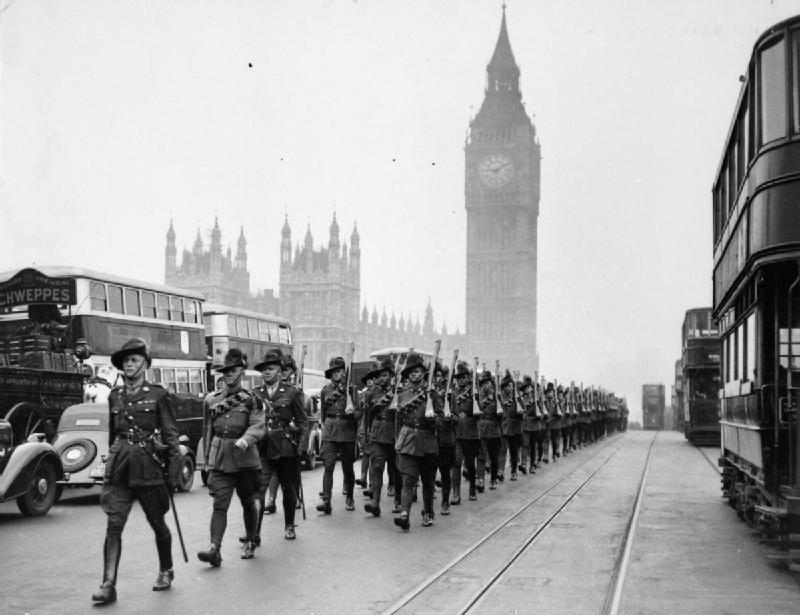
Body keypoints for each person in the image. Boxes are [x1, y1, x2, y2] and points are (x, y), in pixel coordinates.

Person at [92, 338, 181, 605]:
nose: (129, 365)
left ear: (144, 363)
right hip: (120, 469)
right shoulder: (114, 396)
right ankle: (108, 584)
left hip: (148, 467)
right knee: (113, 526)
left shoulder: (158, 395)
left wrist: (173, 475)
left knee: (157, 522)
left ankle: (166, 569)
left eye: (133, 360)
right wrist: (110, 464)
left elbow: (171, 436)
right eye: (125, 361)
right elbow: (112, 434)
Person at [197, 349, 265, 565]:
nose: (228, 374)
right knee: (219, 505)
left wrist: (246, 440)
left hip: (245, 459)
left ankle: (251, 541)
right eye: (225, 370)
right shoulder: (211, 400)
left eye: (233, 370)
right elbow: (208, 431)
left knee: (247, 502)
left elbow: (258, 425)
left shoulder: (252, 400)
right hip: (220, 460)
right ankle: (214, 548)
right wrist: (206, 462)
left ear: (241, 372)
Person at [250, 349, 309, 542]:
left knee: (288, 489)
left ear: (279, 370)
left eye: (271, 369)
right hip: (263, 447)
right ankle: (254, 534)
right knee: (259, 490)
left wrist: (301, 448)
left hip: (286, 447)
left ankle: (289, 525)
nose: (267, 372)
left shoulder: (292, 392)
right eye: (264, 370)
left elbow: (303, 423)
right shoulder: (255, 394)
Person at [394, 353, 440, 530]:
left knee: (428, 481)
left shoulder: (432, 395)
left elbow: (442, 419)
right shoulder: (402, 396)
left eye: (419, 371)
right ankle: (404, 514)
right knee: (408, 480)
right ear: (408, 375)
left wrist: (433, 420)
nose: (415, 375)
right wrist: (397, 441)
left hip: (427, 441)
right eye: (412, 372)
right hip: (407, 442)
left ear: (423, 374)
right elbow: (398, 421)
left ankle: (427, 512)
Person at [317, 356, 360, 514]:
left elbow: (358, 413)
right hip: (330, 432)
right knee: (328, 465)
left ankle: (349, 497)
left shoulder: (351, 390)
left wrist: (352, 413)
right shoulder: (325, 391)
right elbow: (322, 414)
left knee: (347, 467)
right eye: (333, 371)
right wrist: (324, 430)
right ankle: (326, 501)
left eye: (339, 371)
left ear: (344, 372)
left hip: (347, 431)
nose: (336, 374)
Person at [363, 358, 399, 516]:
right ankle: (375, 502)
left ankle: (398, 500)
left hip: (394, 434)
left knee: (396, 469)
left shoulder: (398, 392)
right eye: (380, 375)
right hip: (377, 434)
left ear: (391, 375)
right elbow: (368, 416)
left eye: (385, 375)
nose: (383, 378)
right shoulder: (372, 393)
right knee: (377, 467)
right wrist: (367, 435)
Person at [451, 361, 481, 502]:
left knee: (470, 463)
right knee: (456, 463)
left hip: (471, 433)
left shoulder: (474, 393)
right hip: (457, 433)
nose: (461, 380)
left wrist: (476, 409)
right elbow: (451, 410)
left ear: (468, 378)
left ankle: (472, 489)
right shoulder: (453, 393)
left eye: (464, 377)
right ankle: (456, 493)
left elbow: (479, 410)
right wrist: (452, 417)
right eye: (459, 378)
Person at [433, 362, 456, 515]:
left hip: (445, 438)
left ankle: (445, 501)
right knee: (428, 474)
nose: (437, 379)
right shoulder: (426, 393)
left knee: (445, 472)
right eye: (434, 376)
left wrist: (450, 418)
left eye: (440, 376)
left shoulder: (449, 394)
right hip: (428, 438)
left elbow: (456, 418)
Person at [476, 370, 502, 490]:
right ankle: (480, 479)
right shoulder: (478, 396)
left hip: (494, 429)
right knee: (481, 456)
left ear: (491, 384)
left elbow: (502, 414)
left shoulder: (496, 396)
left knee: (493, 456)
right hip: (481, 429)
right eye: (483, 383)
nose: (485, 385)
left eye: (487, 383)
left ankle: (493, 479)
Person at [500, 371, 523, 481]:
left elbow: (524, 409)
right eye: (507, 386)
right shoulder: (500, 397)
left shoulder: (517, 397)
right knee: (502, 449)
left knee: (514, 451)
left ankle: (514, 471)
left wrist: (521, 411)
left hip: (515, 427)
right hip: (504, 426)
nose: (509, 388)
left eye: (510, 386)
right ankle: (500, 471)